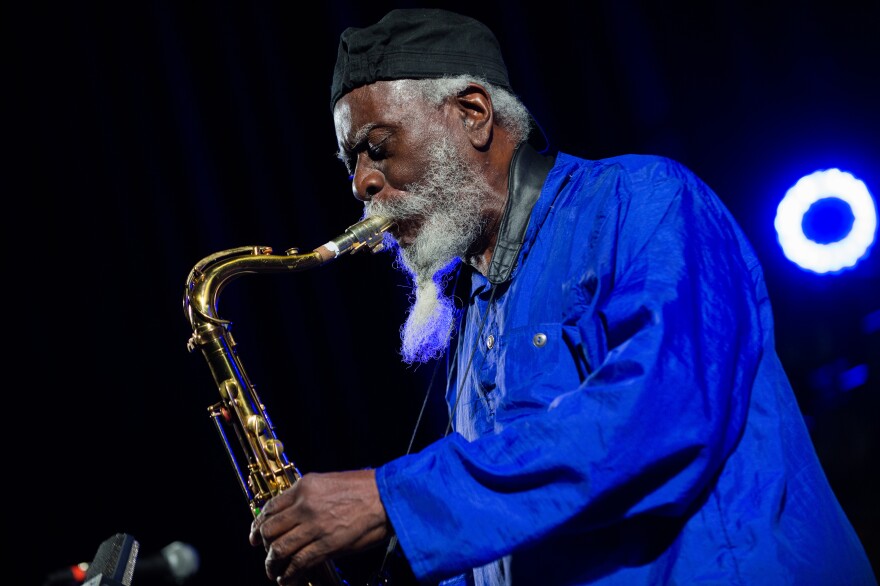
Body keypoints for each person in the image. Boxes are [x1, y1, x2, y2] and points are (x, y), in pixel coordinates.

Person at [249, 8, 877, 586]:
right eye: (350, 163)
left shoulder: (643, 199)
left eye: (377, 147)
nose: (361, 183)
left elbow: (661, 416)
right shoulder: (469, 324)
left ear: (473, 113)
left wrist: (392, 501)